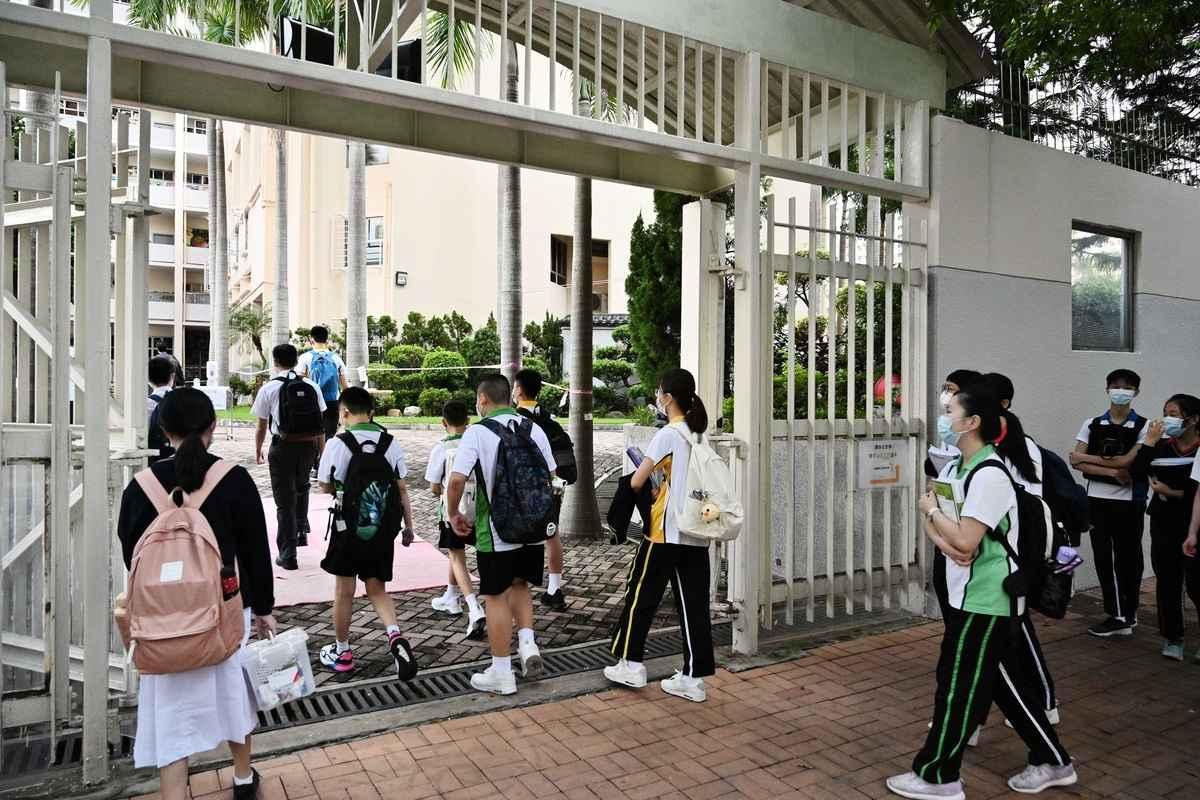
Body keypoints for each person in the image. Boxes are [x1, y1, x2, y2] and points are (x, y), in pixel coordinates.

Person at [888, 383, 1075, 800]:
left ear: (972, 422)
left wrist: (934, 515)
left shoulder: (990, 474)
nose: (943, 414)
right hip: (967, 594)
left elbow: (965, 542)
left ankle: (939, 776)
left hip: (988, 599)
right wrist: (942, 532)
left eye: (949, 408)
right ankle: (1053, 760)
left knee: (958, 687)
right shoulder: (955, 467)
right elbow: (949, 541)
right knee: (1002, 684)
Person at [116, 388, 276, 800]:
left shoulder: (139, 488)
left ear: (162, 429)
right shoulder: (233, 479)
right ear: (213, 427)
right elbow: (256, 550)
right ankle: (242, 779)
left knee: (171, 715)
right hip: (223, 613)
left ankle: (173, 793)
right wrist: (263, 609)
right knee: (232, 695)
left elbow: (131, 557)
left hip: (159, 625)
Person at [606, 368, 716, 704]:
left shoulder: (668, 434)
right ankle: (693, 679)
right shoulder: (699, 435)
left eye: (658, 391)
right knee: (694, 606)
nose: (657, 396)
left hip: (663, 534)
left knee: (641, 598)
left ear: (667, 397)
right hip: (696, 532)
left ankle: (631, 663)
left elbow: (638, 481)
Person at [446, 374, 553, 696]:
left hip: (497, 529)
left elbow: (455, 481)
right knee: (521, 585)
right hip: (533, 526)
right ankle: (527, 643)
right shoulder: (532, 427)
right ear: (510, 397)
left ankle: (502, 671)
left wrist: (453, 514)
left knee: (495, 596)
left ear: (482, 400)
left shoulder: (478, 432)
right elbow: (549, 474)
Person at [315, 387, 418, 679]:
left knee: (344, 590)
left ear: (344, 413)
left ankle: (343, 652)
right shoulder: (390, 443)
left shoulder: (339, 443)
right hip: (383, 529)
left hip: (348, 529)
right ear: (372, 411)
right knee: (377, 588)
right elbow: (402, 489)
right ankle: (396, 637)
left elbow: (325, 486)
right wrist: (409, 527)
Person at [981, 372, 1060, 726]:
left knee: (1019, 629)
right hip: (991, 550)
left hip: (1013, 552)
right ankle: (980, 715)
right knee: (1002, 635)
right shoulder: (987, 445)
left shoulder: (1020, 447)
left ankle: (1044, 703)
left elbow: (1027, 501)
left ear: (1002, 405)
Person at [1069, 369, 1149, 637]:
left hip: (1129, 503)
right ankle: (1116, 614)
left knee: (1129, 558)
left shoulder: (1144, 426)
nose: (1121, 391)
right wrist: (1113, 471)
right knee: (1103, 558)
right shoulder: (1092, 424)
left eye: (1127, 387)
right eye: (1116, 386)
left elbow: (1131, 462)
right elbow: (1075, 460)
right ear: (1107, 389)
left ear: (1136, 392)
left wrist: (1096, 462)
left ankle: (1129, 613)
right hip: (1097, 500)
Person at [1132, 394, 1200, 661]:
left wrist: (1174, 493)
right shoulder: (1161, 447)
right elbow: (1137, 474)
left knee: (1196, 584)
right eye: (1165, 412)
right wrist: (1148, 443)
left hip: (1194, 521)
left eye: (1174, 413)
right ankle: (1173, 637)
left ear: (1193, 419)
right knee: (1168, 579)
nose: (1167, 419)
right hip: (1164, 520)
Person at [252, 344, 327, 570]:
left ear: (275, 361)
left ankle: (288, 554)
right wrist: (322, 453)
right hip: (308, 447)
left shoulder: (269, 388)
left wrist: (258, 449)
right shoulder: (311, 385)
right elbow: (320, 425)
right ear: (296, 361)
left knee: (284, 501)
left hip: (282, 447)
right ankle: (301, 531)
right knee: (302, 487)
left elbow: (261, 425)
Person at [513, 368, 577, 611]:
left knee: (520, 539)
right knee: (552, 534)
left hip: (523, 489)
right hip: (552, 487)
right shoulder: (548, 420)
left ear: (518, 390)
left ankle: (518, 588)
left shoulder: (515, 421)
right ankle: (554, 588)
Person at [425, 400, 487, 640]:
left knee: (456, 555)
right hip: (480, 510)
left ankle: (473, 606)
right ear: (468, 421)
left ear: (443, 422)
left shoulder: (442, 447)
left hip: (453, 510)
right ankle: (452, 596)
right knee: (467, 553)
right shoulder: (478, 445)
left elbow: (433, 487)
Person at [296, 324, 348, 446]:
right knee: (329, 435)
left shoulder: (305, 357)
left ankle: (315, 460)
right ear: (327, 339)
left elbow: (299, 380)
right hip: (332, 402)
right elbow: (344, 385)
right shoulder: (336, 358)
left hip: (312, 402)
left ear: (311, 339)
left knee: (313, 433)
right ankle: (326, 459)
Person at [147, 354, 177, 465]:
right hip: (181, 458)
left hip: (156, 460)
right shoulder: (183, 400)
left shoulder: (147, 404)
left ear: (148, 379)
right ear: (172, 377)